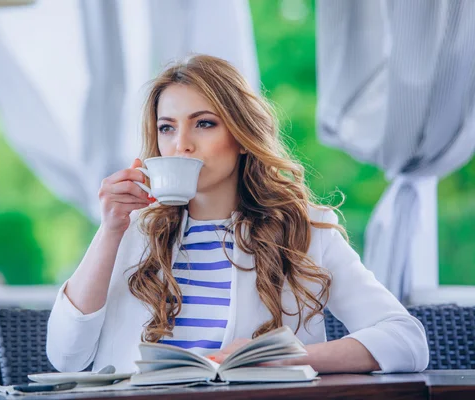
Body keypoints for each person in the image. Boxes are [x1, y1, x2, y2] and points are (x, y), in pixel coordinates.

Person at [46, 54, 429, 374]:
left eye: (204, 124)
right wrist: (110, 230)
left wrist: (289, 357)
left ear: (241, 136)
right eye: (167, 128)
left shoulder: (306, 231)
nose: (181, 145)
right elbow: (65, 356)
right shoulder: (132, 233)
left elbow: (406, 341)